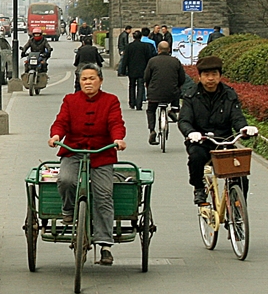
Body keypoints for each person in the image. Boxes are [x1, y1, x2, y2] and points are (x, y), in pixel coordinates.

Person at [48, 63, 128, 266]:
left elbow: (116, 123)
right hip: (74, 150)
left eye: (92, 78)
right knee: (66, 179)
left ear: (100, 80)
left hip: (101, 152)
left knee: (103, 193)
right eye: (84, 79)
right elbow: (61, 122)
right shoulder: (70, 100)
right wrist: (56, 135)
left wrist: (118, 139)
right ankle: (68, 210)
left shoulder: (111, 100)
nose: (88, 82)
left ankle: (105, 244)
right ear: (79, 82)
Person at [178, 55, 258, 205]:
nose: (210, 79)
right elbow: (184, 120)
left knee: (240, 175)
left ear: (220, 76)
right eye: (206, 75)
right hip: (201, 141)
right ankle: (199, 188)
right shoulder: (191, 95)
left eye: (214, 74)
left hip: (224, 142)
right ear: (200, 77)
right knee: (196, 157)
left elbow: (237, 117)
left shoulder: (229, 94)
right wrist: (190, 133)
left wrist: (245, 129)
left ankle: (238, 208)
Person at [143, 40, 186, 145]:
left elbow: (146, 77)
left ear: (158, 50)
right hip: (172, 93)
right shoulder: (175, 61)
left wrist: (148, 85)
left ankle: (152, 130)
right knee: (176, 91)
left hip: (154, 93)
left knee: (151, 110)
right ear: (169, 50)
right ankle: (173, 110)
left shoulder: (152, 61)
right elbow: (182, 78)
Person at [118, 28, 155, 110]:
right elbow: (149, 58)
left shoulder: (129, 46)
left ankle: (132, 102)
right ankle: (139, 104)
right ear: (141, 37)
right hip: (142, 69)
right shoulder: (145, 46)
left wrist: (123, 70)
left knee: (131, 85)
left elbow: (125, 59)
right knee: (141, 86)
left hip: (132, 69)